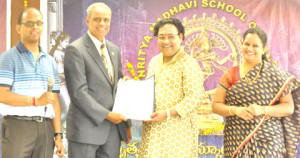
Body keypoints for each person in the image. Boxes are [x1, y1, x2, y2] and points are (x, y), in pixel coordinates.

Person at [212, 27, 300, 157]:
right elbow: (216, 105)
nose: (250, 49)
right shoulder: (230, 74)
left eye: (255, 45)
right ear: (242, 45)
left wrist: (262, 109)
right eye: (246, 44)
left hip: (269, 140)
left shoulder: (274, 75)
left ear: (263, 48)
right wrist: (236, 110)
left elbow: (288, 107)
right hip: (236, 139)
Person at [64, 2, 132, 158]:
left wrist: (126, 123)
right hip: (85, 132)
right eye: (97, 19)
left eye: (106, 20)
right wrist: (107, 115)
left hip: (112, 132)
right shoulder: (75, 49)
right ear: (87, 21)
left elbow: (117, 88)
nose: (102, 23)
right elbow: (78, 93)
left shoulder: (114, 49)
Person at [0, 7, 64, 158]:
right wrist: (35, 100)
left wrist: (58, 135)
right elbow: (2, 95)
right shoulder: (8, 58)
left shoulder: (50, 61)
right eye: (29, 23)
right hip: (18, 127)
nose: (35, 27)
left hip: (46, 128)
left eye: (38, 23)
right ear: (18, 28)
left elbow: (53, 100)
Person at [138, 18, 205, 157]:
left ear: (180, 37)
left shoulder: (189, 64)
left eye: (170, 37)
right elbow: (147, 91)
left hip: (177, 132)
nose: (166, 41)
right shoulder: (154, 61)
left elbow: (195, 97)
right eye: (161, 37)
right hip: (152, 130)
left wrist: (168, 113)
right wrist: (130, 87)